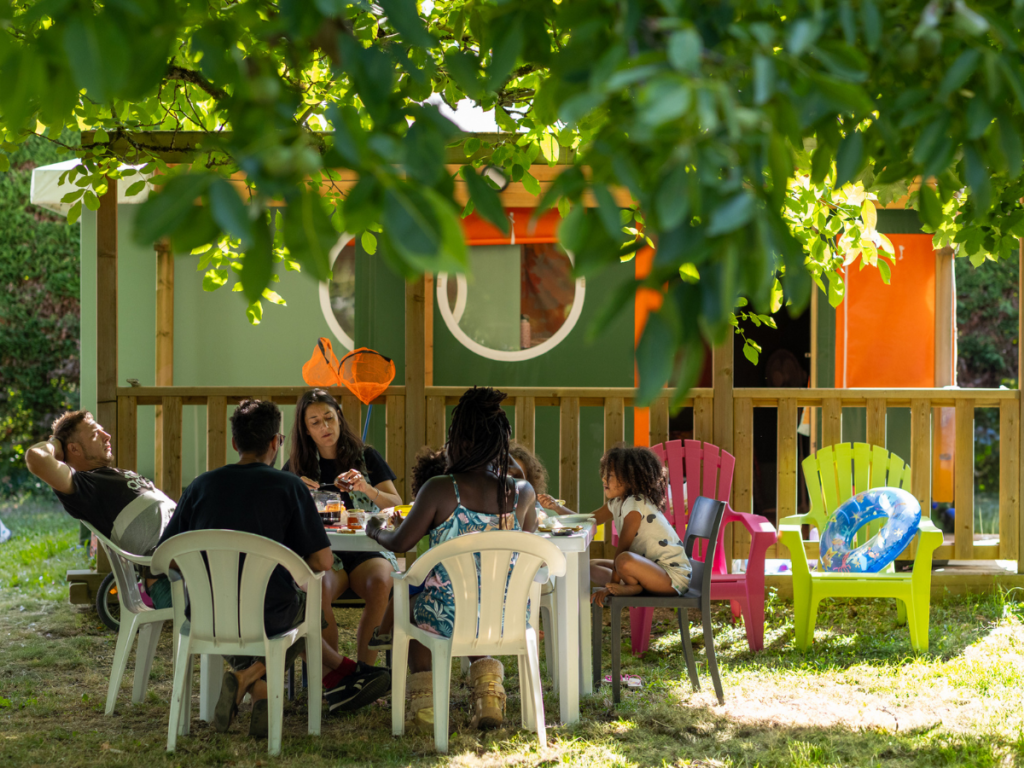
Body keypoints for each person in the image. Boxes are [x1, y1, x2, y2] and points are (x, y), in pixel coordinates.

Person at [157, 399, 389, 737]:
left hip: (208, 611)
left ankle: (260, 689)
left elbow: (167, 554)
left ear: (235, 444)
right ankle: (342, 673)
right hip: (274, 612)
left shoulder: (200, 486)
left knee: (264, 611)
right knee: (307, 611)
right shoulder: (288, 486)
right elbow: (324, 562)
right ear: (275, 443)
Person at [367, 387, 537, 731]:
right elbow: (527, 546)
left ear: (456, 439)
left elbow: (401, 543)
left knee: (413, 608)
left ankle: (427, 709)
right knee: (467, 604)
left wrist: (376, 530)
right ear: (502, 443)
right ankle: (488, 693)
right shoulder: (523, 493)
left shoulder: (441, 488)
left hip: (446, 616)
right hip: (504, 614)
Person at [283, 389, 400, 666]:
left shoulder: (366, 457)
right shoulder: (298, 466)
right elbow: (282, 518)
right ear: (305, 429)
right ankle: (333, 678)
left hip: (367, 550)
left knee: (382, 581)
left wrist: (367, 489)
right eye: (315, 422)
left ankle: (364, 673)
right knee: (317, 588)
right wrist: (295, 492)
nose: (325, 427)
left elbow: (396, 504)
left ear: (339, 418)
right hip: (324, 553)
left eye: (329, 418)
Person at [25, 410, 176, 606]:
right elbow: (36, 457)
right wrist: (55, 442)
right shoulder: (84, 485)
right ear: (74, 449)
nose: (107, 436)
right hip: (171, 574)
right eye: (96, 433)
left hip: (195, 553)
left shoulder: (113, 473)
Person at [588, 445, 692, 607]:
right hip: (649, 568)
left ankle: (629, 588)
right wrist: (556, 507)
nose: (603, 479)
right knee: (590, 566)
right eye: (604, 474)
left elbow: (622, 549)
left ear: (629, 479)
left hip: (672, 578)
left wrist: (610, 587)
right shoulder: (617, 503)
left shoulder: (635, 504)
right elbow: (590, 520)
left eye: (610, 476)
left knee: (623, 559)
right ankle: (632, 587)